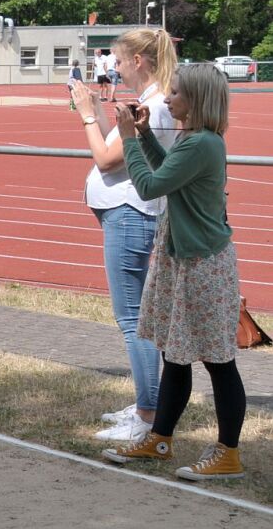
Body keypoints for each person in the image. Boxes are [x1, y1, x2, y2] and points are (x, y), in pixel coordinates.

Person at [103, 63, 247, 481]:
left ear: (198, 100)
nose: (167, 100)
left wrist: (129, 138)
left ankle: (228, 453)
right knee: (175, 354)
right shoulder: (196, 140)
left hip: (202, 264)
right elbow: (170, 175)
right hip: (184, 259)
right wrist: (146, 136)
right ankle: (160, 438)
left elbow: (149, 186)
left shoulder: (201, 143)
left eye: (177, 93)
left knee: (217, 360)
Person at [69, 29, 178, 442]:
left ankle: (148, 416)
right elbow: (115, 150)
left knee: (133, 318)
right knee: (136, 316)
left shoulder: (154, 105)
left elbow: (106, 158)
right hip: (128, 213)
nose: (114, 66)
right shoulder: (151, 102)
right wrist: (96, 111)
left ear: (140, 60)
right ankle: (147, 403)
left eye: (119, 59)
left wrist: (84, 115)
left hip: (131, 214)